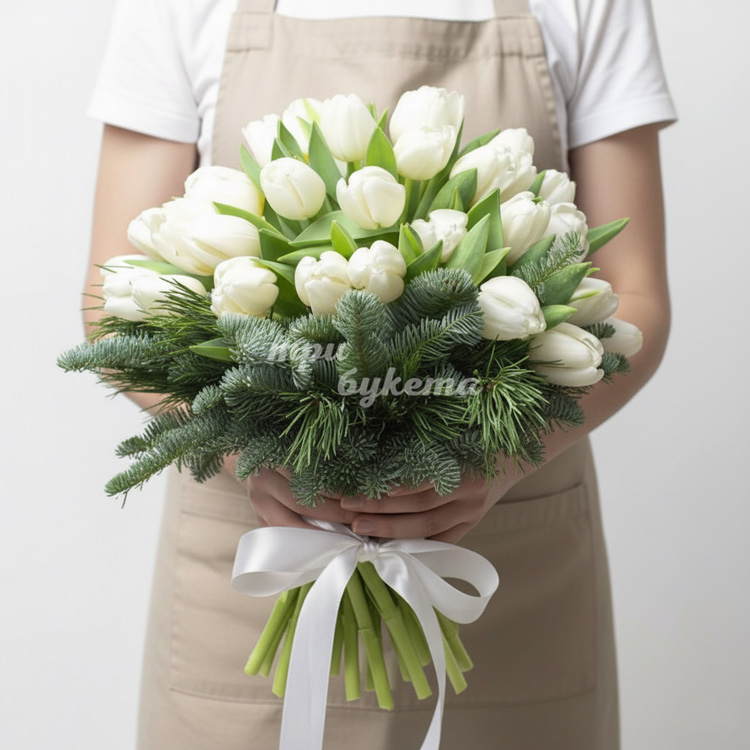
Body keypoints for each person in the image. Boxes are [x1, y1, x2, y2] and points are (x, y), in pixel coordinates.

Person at [83, 1, 676, 748]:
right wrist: (246, 454)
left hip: (507, 560)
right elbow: (114, 302)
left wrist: (500, 462)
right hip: (249, 558)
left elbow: (635, 294)